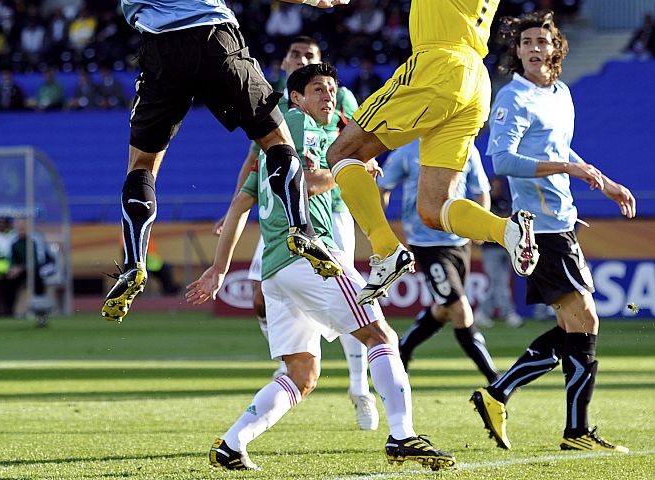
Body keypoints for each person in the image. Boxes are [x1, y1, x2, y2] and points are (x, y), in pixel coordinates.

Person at [0, 0, 350, 323]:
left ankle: (133, 261)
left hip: (160, 48)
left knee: (143, 167)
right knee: (278, 142)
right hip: (215, 41)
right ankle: (301, 230)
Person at [188, 63, 455, 472]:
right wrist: (351, 169)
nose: (329, 95)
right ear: (295, 98)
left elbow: (241, 203)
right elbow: (311, 183)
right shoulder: (301, 125)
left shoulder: (272, 142)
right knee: (380, 334)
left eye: (332, 88)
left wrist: (220, 269)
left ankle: (232, 443)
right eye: (317, 89)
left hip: (276, 268)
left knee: (302, 372)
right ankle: (402, 435)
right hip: (310, 257)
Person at [325, 0, 538, 305]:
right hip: (475, 81)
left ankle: (385, 251)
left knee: (342, 153)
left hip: (437, 65)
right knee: (433, 208)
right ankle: (506, 230)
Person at [471, 11, 635, 453]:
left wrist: (602, 180)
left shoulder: (561, 93)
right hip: (539, 227)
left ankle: (499, 394)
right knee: (586, 321)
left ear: (555, 48)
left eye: (541, 41)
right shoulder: (512, 97)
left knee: (572, 329)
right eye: (525, 42)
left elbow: (560, 149)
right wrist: (566, 167)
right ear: (517, 51)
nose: (533, 48)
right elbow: (501, 160)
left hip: (561, 220)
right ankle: (574, 430)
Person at [230, 35, 379, 430]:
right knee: (261, 295)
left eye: (309, 55)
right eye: (295, 54)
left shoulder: (338, 98)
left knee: (351, 300)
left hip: (331, 210)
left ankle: (359, 386)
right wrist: (234, 208)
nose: (301, 59)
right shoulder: (272, 105)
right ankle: (292, 358)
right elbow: (254, 159)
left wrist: (355, 169)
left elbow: (360, 140)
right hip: (283, 213)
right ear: (285, 63)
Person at [379, 143, 499, 382]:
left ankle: (403, 348)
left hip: (460, 241)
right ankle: (495, 379)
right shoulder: (408, 151)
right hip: (426, 244)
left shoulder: (465, 148)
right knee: (460, 309)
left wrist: (481, 225)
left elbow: (481, 190)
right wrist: (380, 227)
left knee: (444, 308)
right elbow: (382, 187)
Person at [475, 176, 523, 328]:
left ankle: (482, 313)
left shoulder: (506, 202)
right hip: (490, 249)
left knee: (500, 282)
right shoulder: (485, 204)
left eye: (498, 186)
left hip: (505, 247)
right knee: (498, 281)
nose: (496, 189)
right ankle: (508, 313)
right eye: (493, 186)